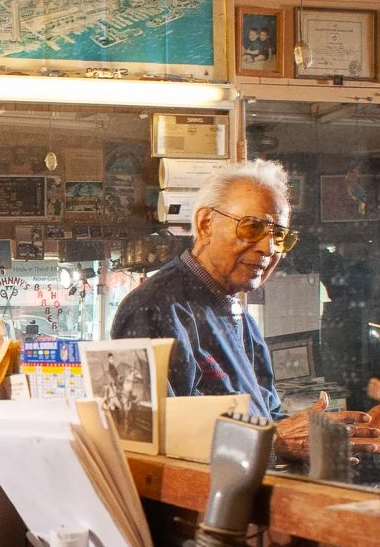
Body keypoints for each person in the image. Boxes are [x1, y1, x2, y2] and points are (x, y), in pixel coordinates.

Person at [111, 160, 293, 420]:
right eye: (252, 228)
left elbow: (268, 416)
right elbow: (146, 436)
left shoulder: (241, 318)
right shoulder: (151, 308)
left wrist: (325, 434)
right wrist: (275, 441)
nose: (269, 249)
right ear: (206, 224)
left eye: (280, 236)